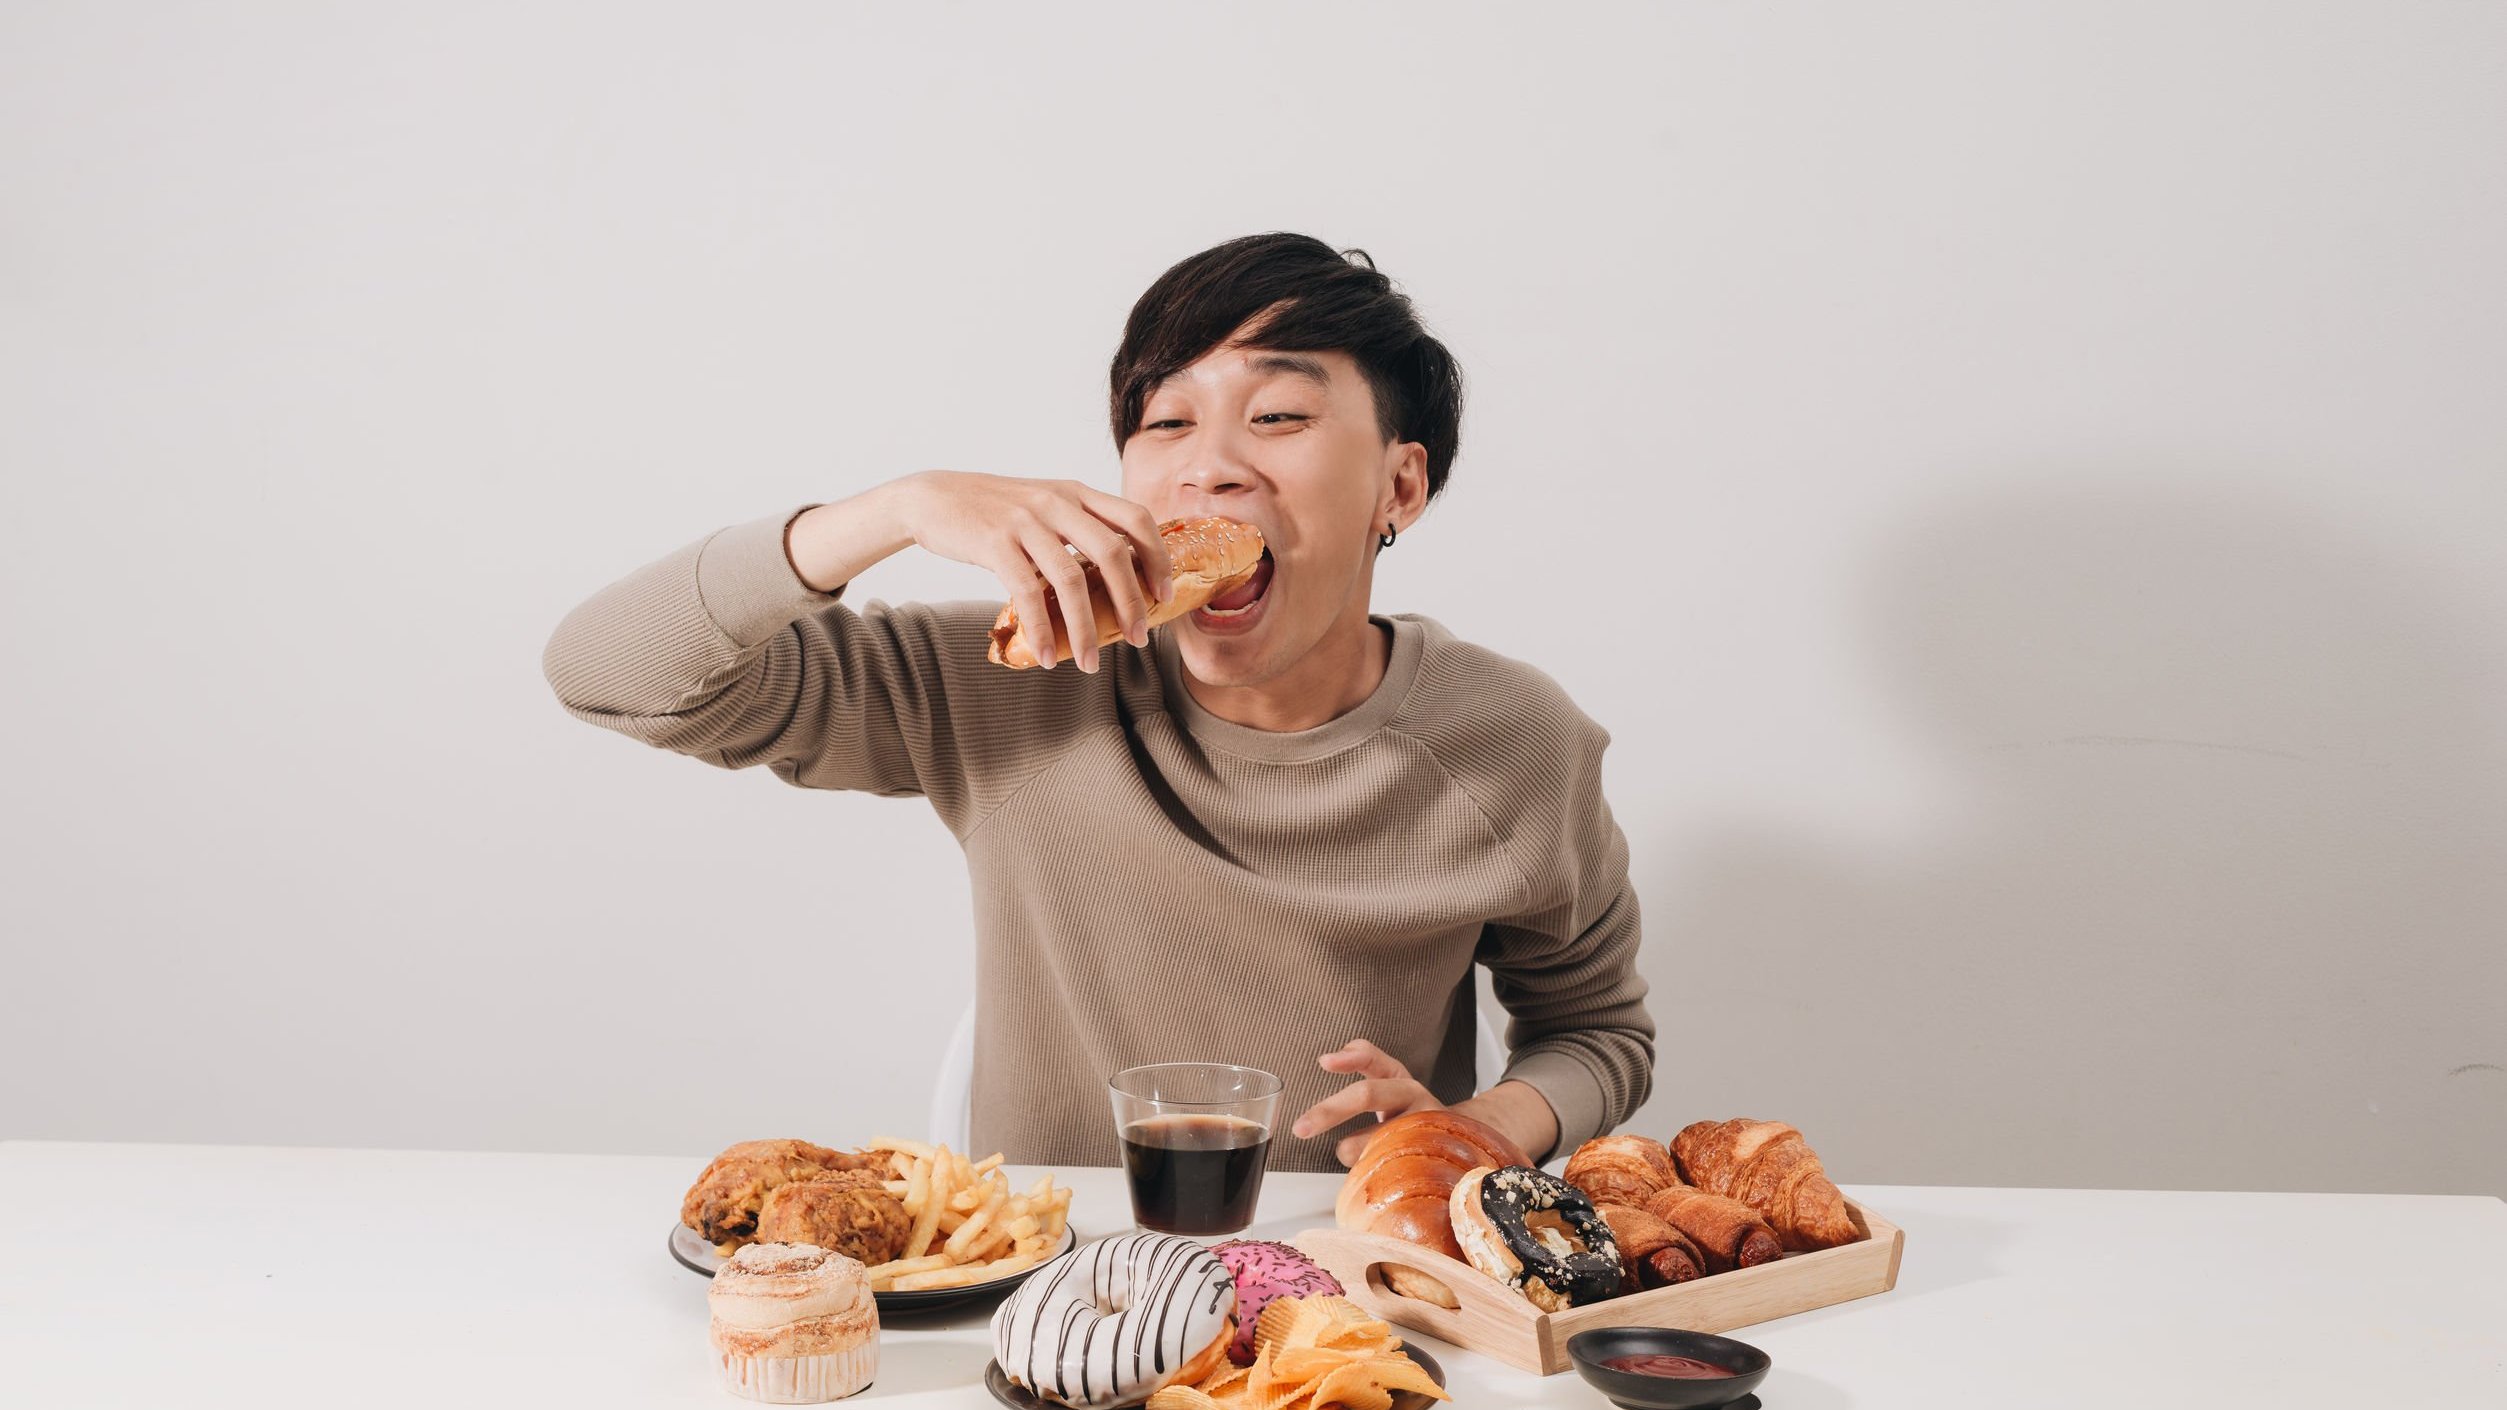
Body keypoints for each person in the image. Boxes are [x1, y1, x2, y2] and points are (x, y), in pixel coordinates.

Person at [542, 232, 1654, 1172]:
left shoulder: (1513, 740)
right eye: (1164, 424)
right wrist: (895, 508)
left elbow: (1593, 1031)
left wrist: (1471, 1132)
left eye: (1275, 418)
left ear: (1397, 485)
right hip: (1042, 1278)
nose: (1207, 468)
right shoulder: (1014, 677)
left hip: (1347, 1276)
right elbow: (607, 672)